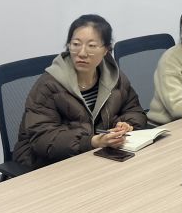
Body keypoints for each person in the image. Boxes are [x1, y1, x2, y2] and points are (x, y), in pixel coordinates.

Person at [13, 14, 148, 169]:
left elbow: (135, 110)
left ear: (106, 50)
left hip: (97, 157)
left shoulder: (113, 76)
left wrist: (125, 125)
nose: (82, 53)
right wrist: (91, 141)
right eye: (76, 44)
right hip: (45, 164)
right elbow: (43, 139)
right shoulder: (49, 84)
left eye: (91, 46)